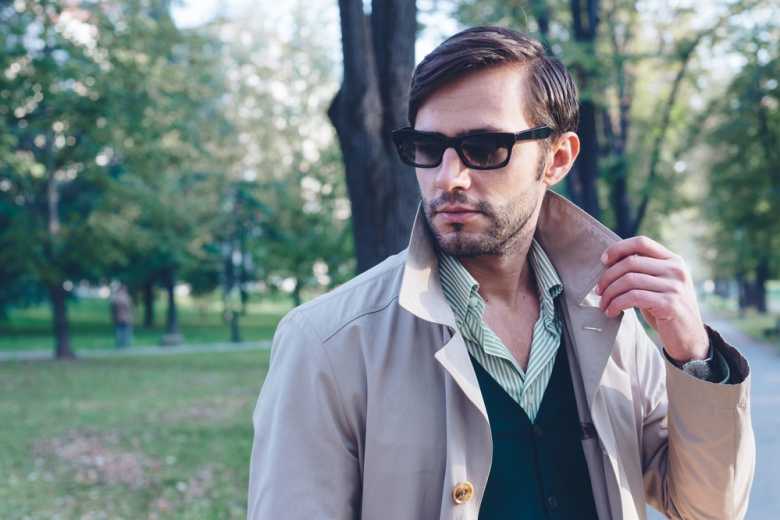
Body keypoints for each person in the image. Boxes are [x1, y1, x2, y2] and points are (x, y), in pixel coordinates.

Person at [248, 26, 754, 519]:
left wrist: (694, 357)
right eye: (427, 148)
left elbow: (707, 508)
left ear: (557, 158)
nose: (448, 178)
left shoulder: (611, 317)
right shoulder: (328, 343)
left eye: (485, 148)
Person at [110, 283, 134, 349]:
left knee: (121, 331)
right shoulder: (126, 297)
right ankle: (124, 344)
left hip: (120, 317)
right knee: (124, 331)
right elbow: (130, 307)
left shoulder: (115, 298)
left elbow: (113, 308)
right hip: (125, 317)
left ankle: (121, 344)